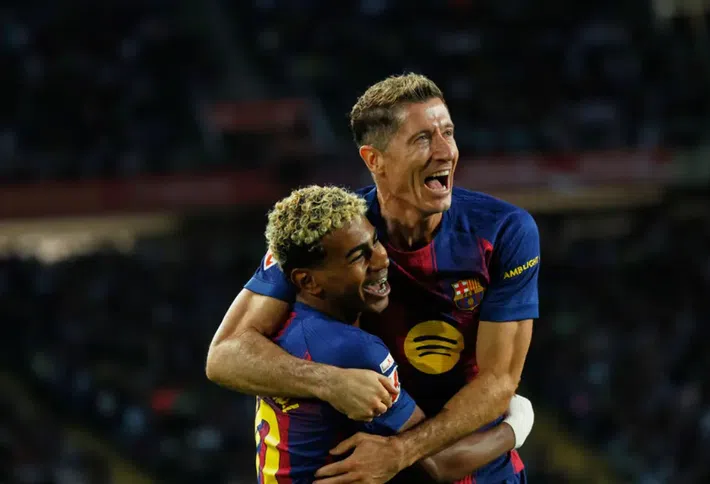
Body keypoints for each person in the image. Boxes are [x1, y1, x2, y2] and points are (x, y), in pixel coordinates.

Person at [207, 73, 540, 483]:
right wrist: (330, 383)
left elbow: (499, 381)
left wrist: (402, 451)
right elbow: (225, 355)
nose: (445, 151)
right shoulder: (332, 233)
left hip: (468, 463)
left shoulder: (504, 231)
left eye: (448, 133)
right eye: (422, 138)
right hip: (379, 463)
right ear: (374, 160)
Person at [254, 185, 534, 483]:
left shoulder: (276, 332)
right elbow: (441, 464)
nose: (381, 259)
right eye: (358, 257)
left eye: (375, 241)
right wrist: (517, 425)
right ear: (308, 281)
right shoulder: (356, 352)